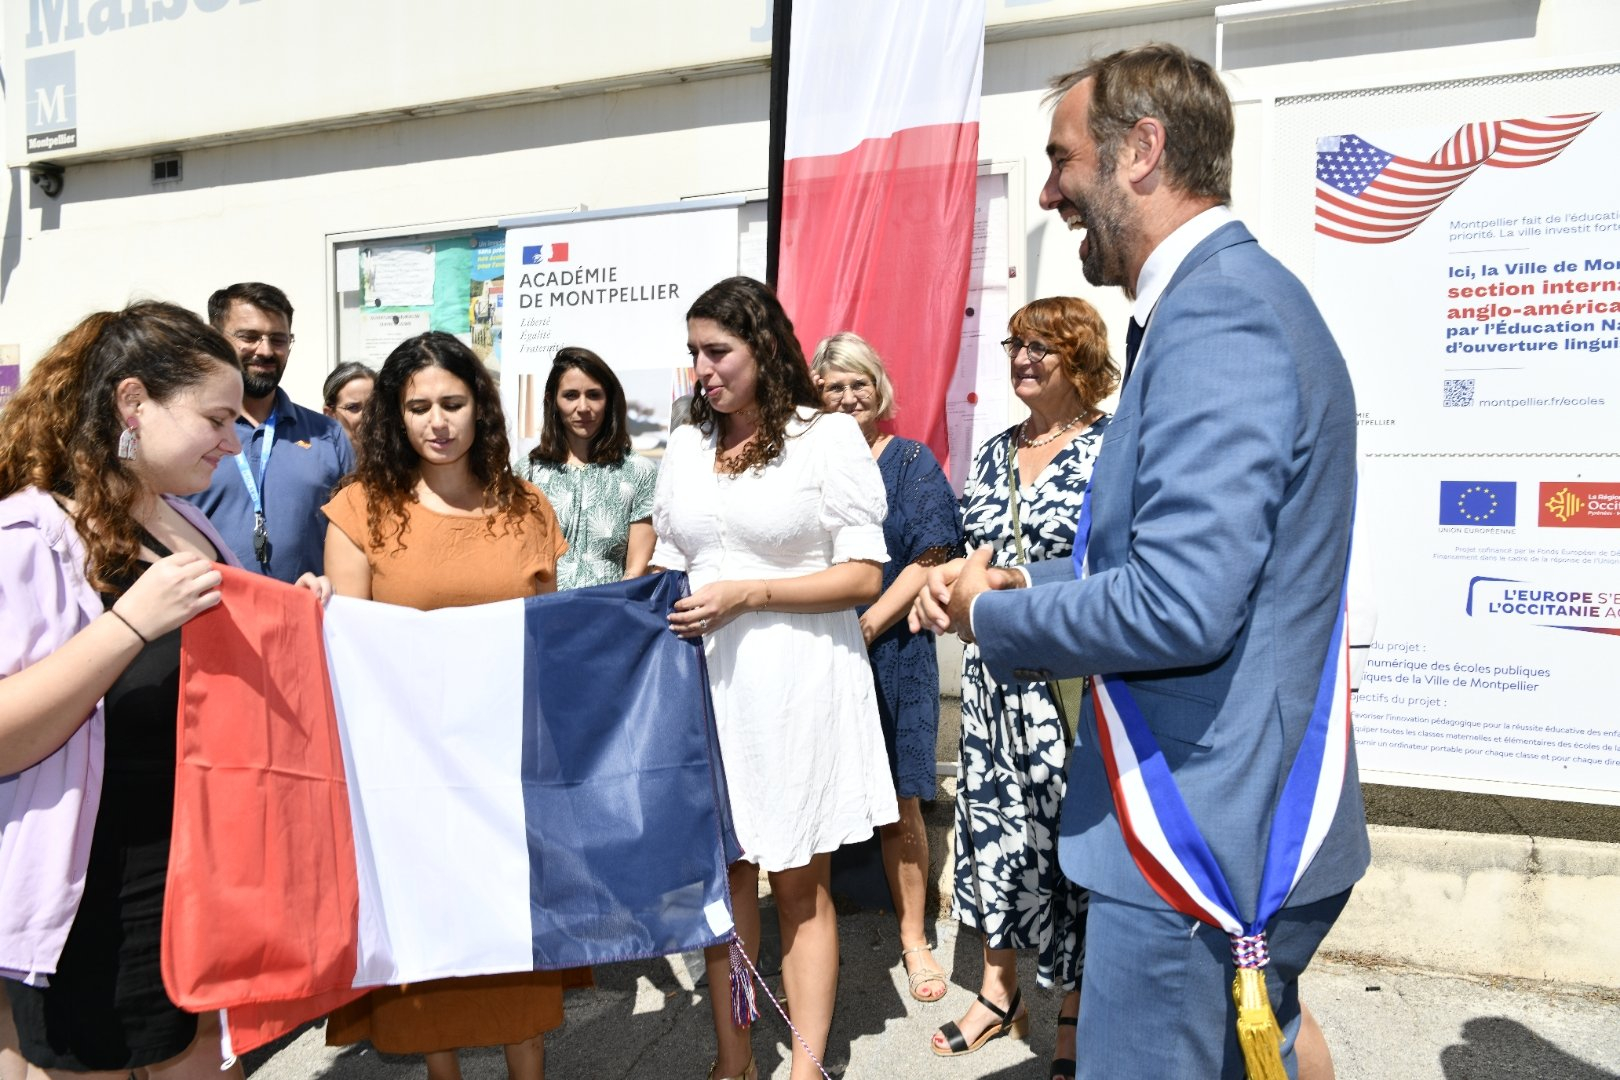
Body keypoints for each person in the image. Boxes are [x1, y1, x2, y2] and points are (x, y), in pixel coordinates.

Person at [915, 44, 1369, 1078]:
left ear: (1142, 152)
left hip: (1198, 849)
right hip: (1222, 823)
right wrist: (1029, 583)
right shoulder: (1216, 305)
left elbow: (1180, 606)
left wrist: (992, 617)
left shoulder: (1220, 313)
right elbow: (1184, 569)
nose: (1048, 190)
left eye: (1062, 158)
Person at [0, 301, 325, 1078]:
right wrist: (127, 626)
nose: (232, 435)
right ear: (133, 403)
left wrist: (292, 619)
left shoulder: (186, 524)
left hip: (197, 880)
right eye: (215, 416)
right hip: (88, 899)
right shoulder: (29, 535)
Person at [651, 277, 896, 1080]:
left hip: (797, 684)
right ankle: (734, 1059)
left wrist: (752, 591)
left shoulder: (824, 438)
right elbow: (667, 565)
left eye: (717, 351)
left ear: (764, 348)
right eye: (694, 353)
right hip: (705, 689)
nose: (703, 370)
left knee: (797, 881)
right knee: (724, 884)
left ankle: (806, 1062)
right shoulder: (685, 445)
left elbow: (863, 574)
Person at [320, 332, 568, 1080]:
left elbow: (548, 635)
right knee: (429, 937)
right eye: (418, 406)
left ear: (480, 408)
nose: (437, 421)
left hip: (508, 765)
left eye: (452, 403)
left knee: (512, 934)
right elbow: (345, 645)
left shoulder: (528, 505)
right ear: (395, 417)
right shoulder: (359, 509)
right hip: (408, 773)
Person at [925, 300, 1111, 1079]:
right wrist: (942, 584)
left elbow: (1115, 569)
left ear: (1081, 357)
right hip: (992, 682)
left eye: (1044, 346)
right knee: (993, 835)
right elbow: (969, 554)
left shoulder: (1113, 447)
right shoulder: (996, 450)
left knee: (1068, 845)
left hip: (1069, 687)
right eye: (1016, 344)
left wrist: (1008, 582)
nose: (1024, 357)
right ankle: (1001, 991)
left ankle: (1072, 1009)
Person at [809, 333, 961, 1007]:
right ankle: (807, 940)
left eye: (858, 384)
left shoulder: (909, 462)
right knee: (810, 793)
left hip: (894, 651)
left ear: (879, 390)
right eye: (833, 386)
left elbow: (931, 554)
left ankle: (913, 938)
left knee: (902, 799)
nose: (847, 397)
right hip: (814, 654)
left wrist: (870, 622)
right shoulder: (801, 463)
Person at [187, 282, 354, 582]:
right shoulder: (183, 432)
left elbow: (358, 537)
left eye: (278, 339)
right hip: (207, 619)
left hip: (305, 618)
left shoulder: (328, 435)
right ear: (215, 340)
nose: (265, 351)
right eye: (248, 337)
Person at [516, 347, 658, 589]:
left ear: (609, 400)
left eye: (593, 395)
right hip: (542, 617)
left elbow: (637, 569)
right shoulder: (527, 472)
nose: (583, 407)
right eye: (570, 395)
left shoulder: (639, 473)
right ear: (552, 401)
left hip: (610, 616)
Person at [321, 361, 375, 441]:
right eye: (353, 407)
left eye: (373, 407)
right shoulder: (319, 451)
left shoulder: (394, 450)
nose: (367, 418)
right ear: (330, 414)